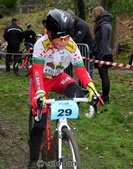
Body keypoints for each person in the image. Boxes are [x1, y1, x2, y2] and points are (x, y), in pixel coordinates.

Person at [28, 8, 103, 168]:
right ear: (49, 34)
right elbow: (36, 70)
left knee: (77, 92)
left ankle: (61, 127)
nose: (63, 42)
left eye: (67, 37)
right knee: (40, 125)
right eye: (59, 38)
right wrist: (40, 92)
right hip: (41, 79)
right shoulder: (41, 45)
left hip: (58, 77)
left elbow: (81, 70)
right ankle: (33, 158)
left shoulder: (71, 45)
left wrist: (91, 87)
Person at [92, 6, 113, 104]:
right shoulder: (106, 24)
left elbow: (103, 42)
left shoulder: (103, 25)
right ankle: (105, 96)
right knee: (104, 76)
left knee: (104, 76)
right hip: (105, 52)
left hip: (103, 54)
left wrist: (99, 58)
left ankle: (105, 97)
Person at [67, 9, 94, 78]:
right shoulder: (72, 25)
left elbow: (78, 39)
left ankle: (86, 86)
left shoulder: (81, 25)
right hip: (79, 50)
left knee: (85, 70)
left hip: (86, 51)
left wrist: (66, 41)